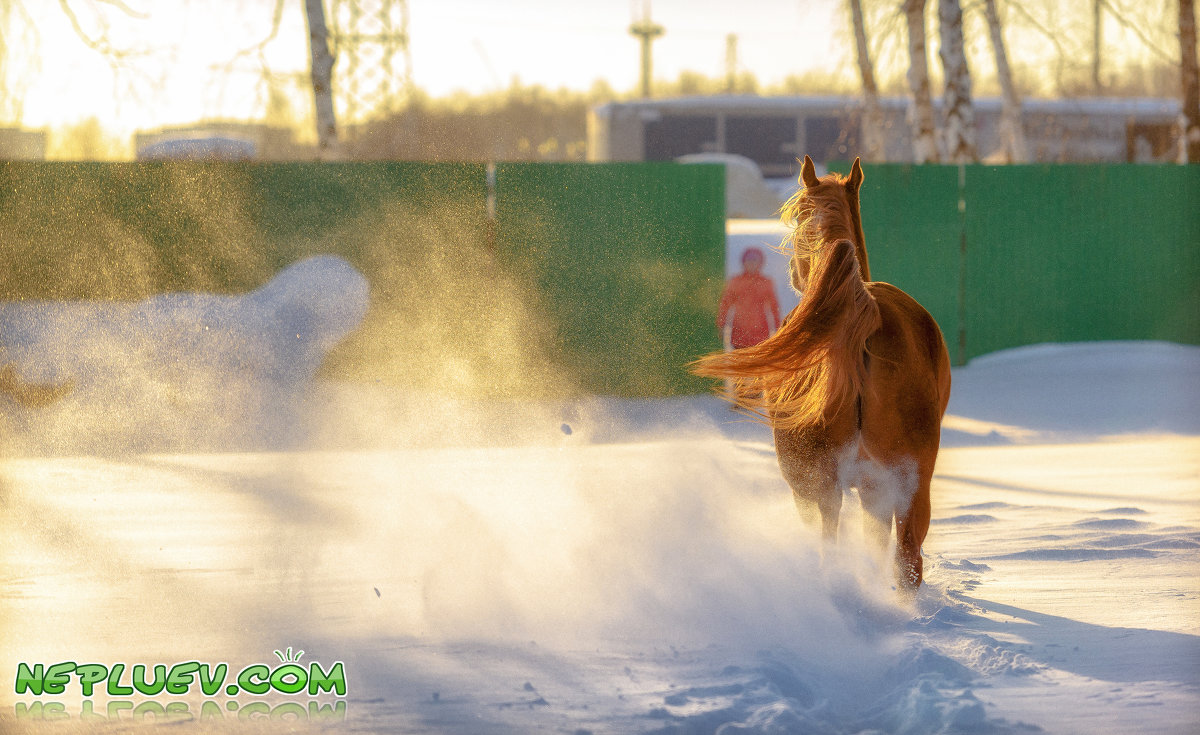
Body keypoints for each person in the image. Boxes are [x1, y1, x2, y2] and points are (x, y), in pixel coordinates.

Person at [715, 247, 781, 400]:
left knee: (757, 365)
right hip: (739, 330)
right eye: (749, 261)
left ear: (760, 263)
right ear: (743, 263)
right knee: (739, 365)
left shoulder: (766, 283)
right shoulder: (735, 282)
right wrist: (721, 324)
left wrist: (778, 329)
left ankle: (756, 395)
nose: (752, 264)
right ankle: (739, 396)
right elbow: (725, 304)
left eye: (755, 261)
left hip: (760, 332)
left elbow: (774, 307)